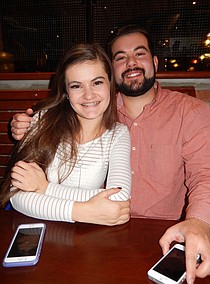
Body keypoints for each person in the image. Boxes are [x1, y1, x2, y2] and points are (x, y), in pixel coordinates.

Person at [8, 25, 210, 283]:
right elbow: (22, 188)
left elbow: (205, 174)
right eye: (121, 57)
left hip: (160, 234)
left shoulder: (189, 113)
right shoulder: (92, 108)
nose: (131, 62)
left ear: (155, 61)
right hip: (85, 230)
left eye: (140, 53)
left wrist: (200, 221)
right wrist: (27, 126)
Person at [0, 43, 131, 226]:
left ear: (110, 84)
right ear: (67, 92)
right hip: (36, 229)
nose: (88, 95)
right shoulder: (43, 120)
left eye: (97, 82)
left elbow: (118, 198)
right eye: (77, 86)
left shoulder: (118, 134)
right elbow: (17, 194)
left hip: (83, 239)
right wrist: (82, 211)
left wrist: (44, 188)